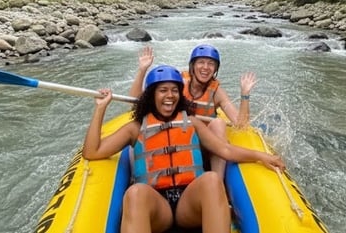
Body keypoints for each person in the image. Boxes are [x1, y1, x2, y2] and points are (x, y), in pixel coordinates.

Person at [84, 65, 284, 233]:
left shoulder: (193, 123)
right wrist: (100, 109)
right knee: (135, 193)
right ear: (151, 95)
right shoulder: (134, 129)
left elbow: (226, 151)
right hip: (157, 207)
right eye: (163, 90)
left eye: (174, 90)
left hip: (188, 203)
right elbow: (92, 152)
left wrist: (261, 156)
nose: (169, 95)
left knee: (212, 180)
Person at [128, 44, 256, 179]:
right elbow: (136, 103)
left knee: (218, 123)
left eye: (211, 64)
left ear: (215, 69)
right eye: (201, 62)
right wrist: (142, 70)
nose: (206, 67)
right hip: (175, 139)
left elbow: (241, 124)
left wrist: (245, 95)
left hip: (204, 144)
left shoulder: (217, 92)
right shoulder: (177, 85)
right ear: (192, 66)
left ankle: (218, 181)